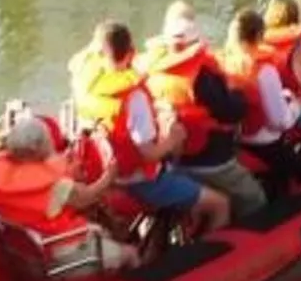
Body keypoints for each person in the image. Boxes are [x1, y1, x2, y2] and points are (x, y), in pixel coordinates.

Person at [76, 21, 228, 237]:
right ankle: (209, 262)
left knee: (182, 185)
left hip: (104, 173)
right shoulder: (134, 97)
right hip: (139, 181)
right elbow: (147, 153)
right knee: (220, 204)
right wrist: (172, 140)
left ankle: (163, 238)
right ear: (130, 53)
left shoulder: (85, 85)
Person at [139, 6, 267, 220]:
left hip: (175, 158)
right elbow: (232, 112)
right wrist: (238, 90)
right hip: (211, 160)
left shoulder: (151, 70)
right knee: (254, 198)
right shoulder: (202, 77)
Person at [0, 117, 138, 277]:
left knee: (102, 233)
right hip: (61, 256)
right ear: (38, 147)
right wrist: (110, 174)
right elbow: (89, 196)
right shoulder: (55, 186)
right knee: (130, 252)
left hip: (24, 259)